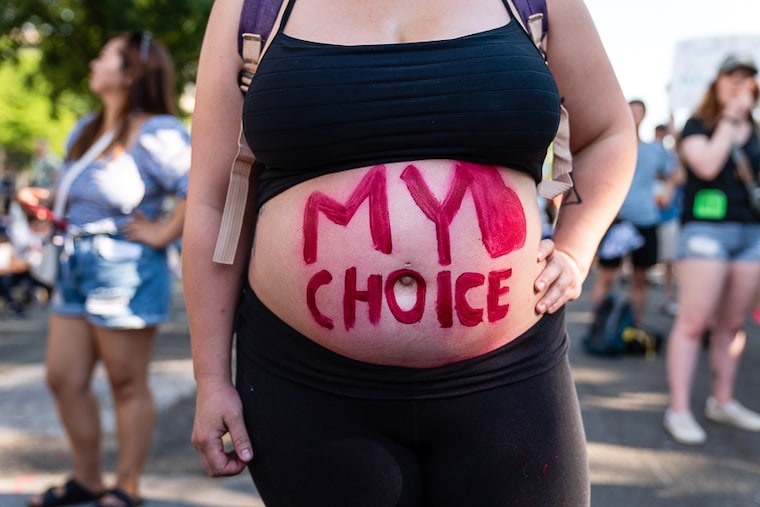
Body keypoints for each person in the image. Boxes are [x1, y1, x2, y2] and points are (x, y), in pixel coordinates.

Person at [183, 1, 636, 505]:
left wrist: (575, 249)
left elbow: (608, 134)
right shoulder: (252, 8)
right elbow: (213, 199)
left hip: (508, 378)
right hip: (308, 385)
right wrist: (210, 376)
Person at [17, 32, 191, 507]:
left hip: (125, 270)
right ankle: (88, 479)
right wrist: (44, 204)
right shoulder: (85, 129)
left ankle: (126, 487)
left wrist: (163, 232)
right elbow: (75, 196)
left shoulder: (159, 132)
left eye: (104, 56)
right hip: (75, 264)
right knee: (63, 377)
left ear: (131, 72)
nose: (93, 62)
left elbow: (201, 188)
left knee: (126, 382)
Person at [663, 53, 760, 446]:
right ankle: (679, 409)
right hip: (706, 232)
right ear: (717, 83)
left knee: (733, 325)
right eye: (731, 78)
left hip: (750, 234)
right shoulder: (698, 124)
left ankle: (722, 400)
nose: (739, 85)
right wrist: (731, 118)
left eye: (747, 79)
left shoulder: (756, 131)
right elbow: (705, 165)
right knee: (693, 322)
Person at [589, 99, 678, 327]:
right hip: (616, 219)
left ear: (644, 116)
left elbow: (676, 175)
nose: (634, 116)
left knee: (641, 277)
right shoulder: (610, 144)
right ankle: (597, 325)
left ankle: (635, 326)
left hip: (645, 220)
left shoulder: (653, 150)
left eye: (638, 112)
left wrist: (668, 193)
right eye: (630, 111)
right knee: (607, 274)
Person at [654, 122, 685, 316]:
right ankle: (670, 300)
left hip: (676, 220)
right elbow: (665, 200)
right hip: (670, 219)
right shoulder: (670, 160)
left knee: (676, 266)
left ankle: (675, 300)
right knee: (671, 266)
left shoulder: (680, 162)